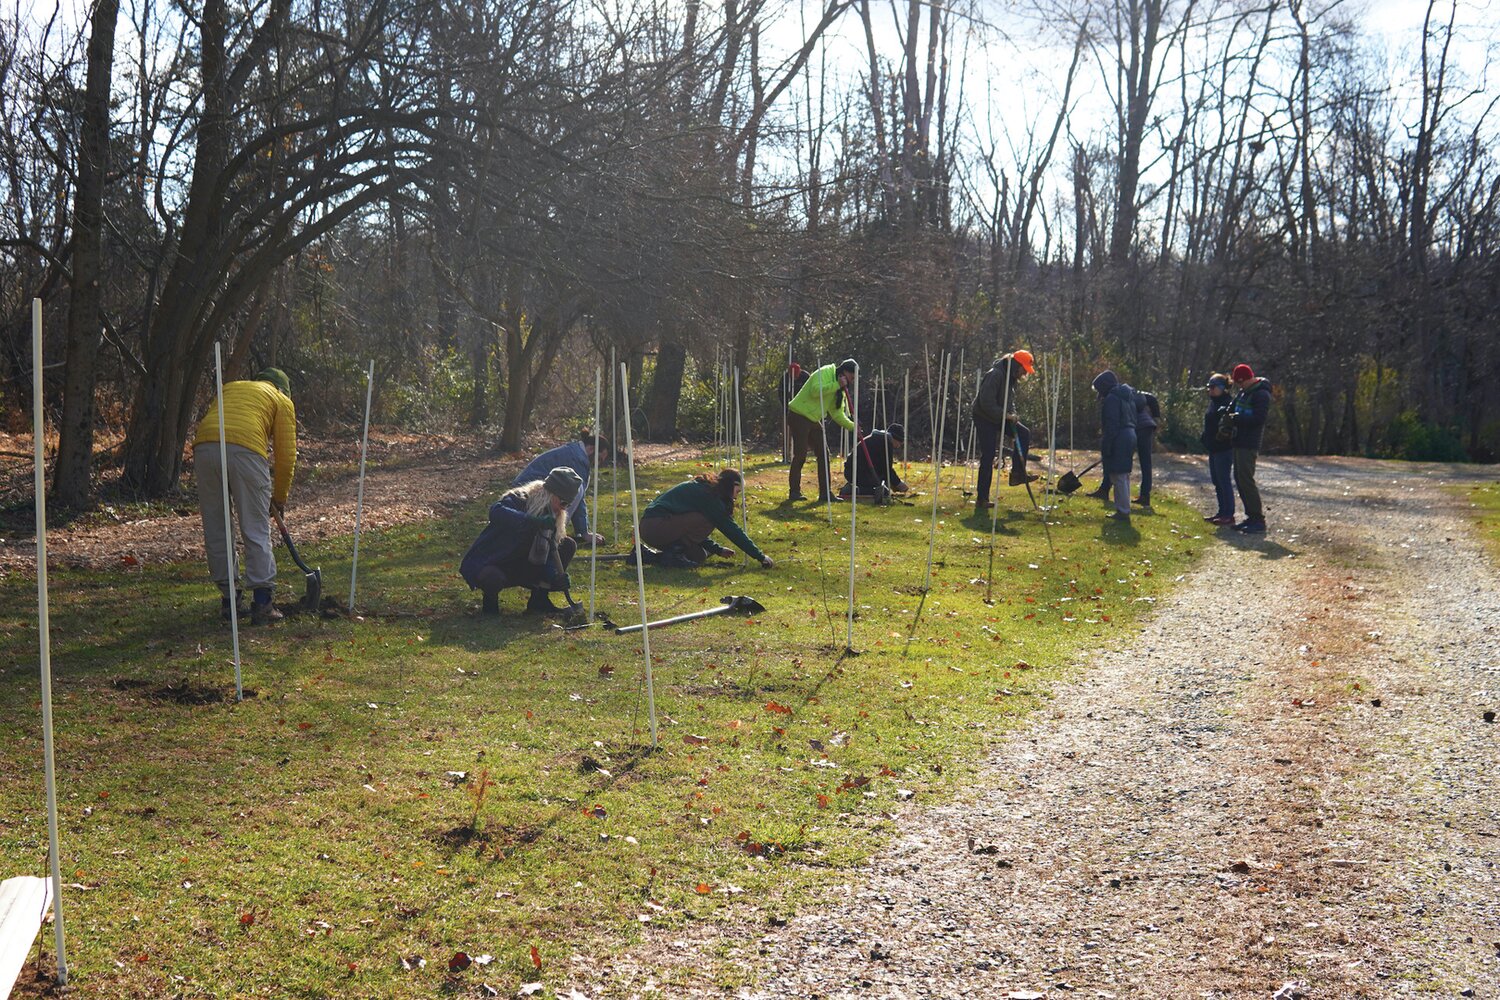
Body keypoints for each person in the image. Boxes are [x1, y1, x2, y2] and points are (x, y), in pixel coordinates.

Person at [193, 368, 297, 625]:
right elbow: (286, 457)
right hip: (245, 452)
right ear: (283, 388)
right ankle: (262, 603)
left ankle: (230, 602)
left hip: (205, 448)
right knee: (255, 527)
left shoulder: (231, 387)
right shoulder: (281, 399)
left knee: (218, 528)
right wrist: (280, 498)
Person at [460, 467, 583, 616]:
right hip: (495, 562)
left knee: (567, 544)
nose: (562, 509)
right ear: (551, 494)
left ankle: (539, 601)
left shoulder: (554, 517)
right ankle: (490, 605)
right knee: (492, 578)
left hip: (523, 566)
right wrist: (531, 521)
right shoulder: (519, 498)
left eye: (567, 506)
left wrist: (554, 577)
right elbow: (496, 511)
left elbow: (551, 552)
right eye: (562, 503)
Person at [634, 469, 774, 569]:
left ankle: (647, 556)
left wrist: (717, 549)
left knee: (698, 556)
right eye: (737, 492)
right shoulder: (708, 495)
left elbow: (688, 528)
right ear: (733, 485)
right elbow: (731, 529)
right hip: (654, 526)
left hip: (657, 526)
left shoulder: (707, 490)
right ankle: (673, 554)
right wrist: (760, 556)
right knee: (708, 519)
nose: (735, 497)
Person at [511, 431, 610, 545]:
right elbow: (578, 496)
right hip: (527, 497)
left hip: (526, 491)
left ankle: (551, 531)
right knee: (578, 490)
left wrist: (582, 531)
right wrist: (584, 533)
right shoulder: (577, 459)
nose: (597, 464)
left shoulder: (574, 451)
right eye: (599, 459)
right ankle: (552, 533)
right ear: (592, 449)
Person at [971, 350, 1037, 513]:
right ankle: (982, 499)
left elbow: (1009, 401)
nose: (1024, 374)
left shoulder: (1011, 378)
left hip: (999, 416)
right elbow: (986, 402)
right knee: (988, 455)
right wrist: (1005, 415)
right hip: (984, 417)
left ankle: (1017, 474)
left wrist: (1012, 414)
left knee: (1024, 433)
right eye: (1023, 369)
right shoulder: (996, 375)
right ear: (1016, 365)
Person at [785, 359, 857, 502]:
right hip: (798, 414)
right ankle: (794, 492)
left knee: (824, 454)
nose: (853, 381)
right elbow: (815, 391)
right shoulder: (825, 372)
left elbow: (837, 414)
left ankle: (825, 494)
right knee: (800, 454)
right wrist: (836, 385)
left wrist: (853, 427)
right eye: (852, 377)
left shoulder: (839, 390)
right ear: (845, 372)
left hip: (812, 419)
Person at [1226, 363, 1272, 533]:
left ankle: (1257, 519)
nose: (1240, 386)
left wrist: (1237, 419)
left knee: (1246, 479)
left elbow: (1259, 419)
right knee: (1239, 478)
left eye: (1240, 382)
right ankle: (1250, 516)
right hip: (1239, 440)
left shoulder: (1261, 394)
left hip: (1249, 442)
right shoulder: (1244, 392)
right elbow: (1232, 409)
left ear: (1246, 379)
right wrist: (1228, 414)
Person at [1091, 369, 1138, 522]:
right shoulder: (1127, 396)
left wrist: (1107, 445)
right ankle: (1124, 508)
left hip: (1119, 437)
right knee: (1123, 475)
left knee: (1118, 475)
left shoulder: (1112, 399)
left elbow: (1111, 424)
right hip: (1130, 434)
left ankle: (1123, 511)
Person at [1200, 373, 1236, 525]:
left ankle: (1229, 514)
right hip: (1213, 448)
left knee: (1223, 480)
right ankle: (1221, 512)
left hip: (1224, 448)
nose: (1210, 390)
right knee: (1216, 480)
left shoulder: (1228, 403)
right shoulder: (1213, 403)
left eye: (1213, 387)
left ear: (1223, 388)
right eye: (1209, 387)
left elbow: (1228, 427)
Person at [839, 424, 908, 499]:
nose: (899, 446)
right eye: (900, 443)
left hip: (855, 470)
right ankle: (853, 490)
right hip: (857, 473)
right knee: (883, 492)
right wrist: (898, 484)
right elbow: (886, 469)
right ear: (895, 439)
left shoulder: (879, 439)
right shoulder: (885, 443)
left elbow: (881, 467)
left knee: (883, 486)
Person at [1132, 388, 1162, 508]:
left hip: (1140, 427)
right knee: (1146, 462)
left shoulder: (1116, 397)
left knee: (1142, 461)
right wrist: (1155, 417)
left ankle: (1144, 496)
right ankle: (1145, 496)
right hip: (1147, 426)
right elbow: (1152, 398)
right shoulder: (1132, 393)